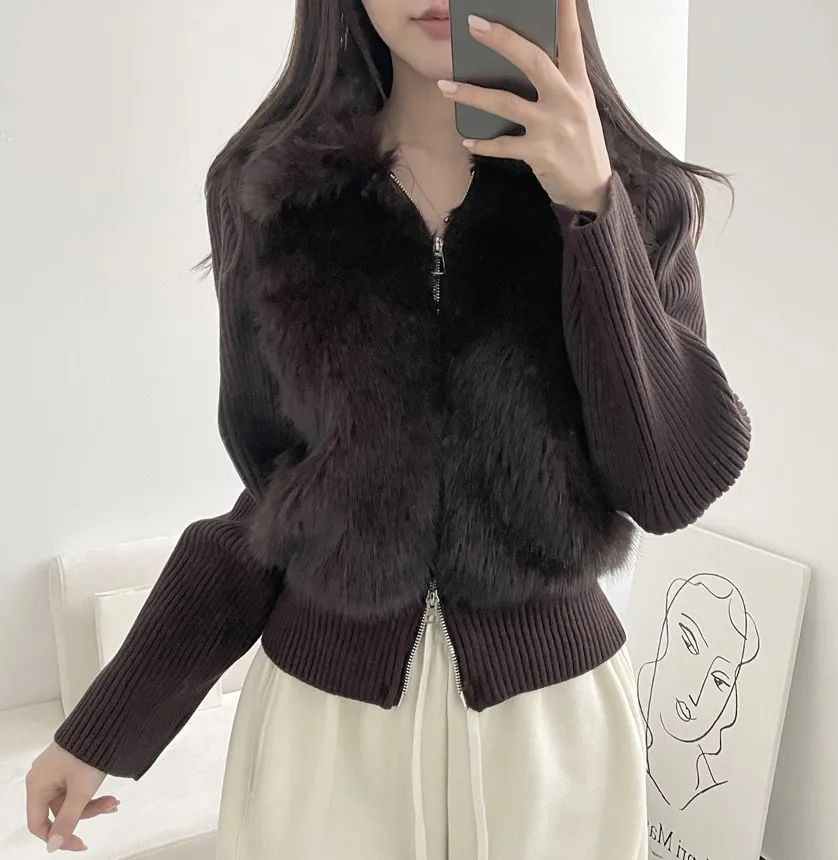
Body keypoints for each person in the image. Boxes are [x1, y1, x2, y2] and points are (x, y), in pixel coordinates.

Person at [25, 0, 752, 857]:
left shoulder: (640, 195)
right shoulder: (268, 194)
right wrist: (108, 725)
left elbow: (667, 485)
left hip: (553, 742)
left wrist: (592, 209)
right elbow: (278, 499)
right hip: (323, 741)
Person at [637, 573, 761, 810]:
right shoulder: (620, 748)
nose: (696, 693)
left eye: (719, 680)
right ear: (664, 632)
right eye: (689, 644)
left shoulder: (719, 803)